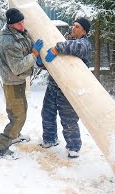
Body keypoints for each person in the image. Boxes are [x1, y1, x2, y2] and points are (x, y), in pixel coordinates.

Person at [37, 17, 92, 158]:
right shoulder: (66, 40)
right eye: (73, 25)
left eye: (77, 26)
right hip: (53, 86)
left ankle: (73, 147)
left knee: (68, 119)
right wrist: (40, 59)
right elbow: (54, 63)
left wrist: (57, 48)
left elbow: (75, 48)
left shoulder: (84, 44)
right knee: (47, 114)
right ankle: (50, 139)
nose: (73, 28)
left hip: (68, 89)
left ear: (84, 31)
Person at [0, 8, 43, 160]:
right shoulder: (9, 42)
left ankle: (15, 135)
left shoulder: (20, 33)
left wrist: (37, 54)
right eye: (18, 23)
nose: (22, 25)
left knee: (19, 111)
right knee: (18, 116)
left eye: (23, 21)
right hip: (13, 82)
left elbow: (26, 45)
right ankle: (0, 149)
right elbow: (17, 67)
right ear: (10, 25)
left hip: (18, 80)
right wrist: (34, 55)